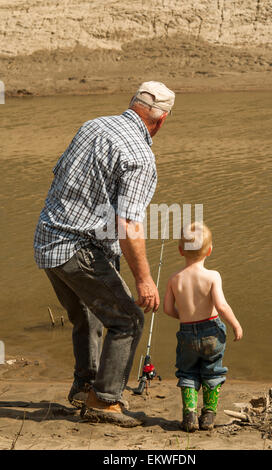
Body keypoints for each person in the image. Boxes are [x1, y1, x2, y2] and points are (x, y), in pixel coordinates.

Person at [34, 81, 175, 427]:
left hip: (46, 239)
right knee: (128, 320)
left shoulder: (92, 125)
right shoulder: (141, 157)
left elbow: (60, 177)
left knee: (87, 315)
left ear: (132, 105)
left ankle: (85, 386)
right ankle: (105, 400)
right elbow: (129, 223)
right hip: (77, 248)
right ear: (161, 121)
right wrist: (144, 281)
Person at [163, 221, 243, 431]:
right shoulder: (212, 276)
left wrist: (185, 317)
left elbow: (167, 309)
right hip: (211, 332)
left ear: (180, 251)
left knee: (187, 372)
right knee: (213, 371)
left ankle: (189, 415)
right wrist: (235, 324)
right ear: (209, 250)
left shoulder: (174, 279)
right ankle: (208, 414)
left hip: (187, 333)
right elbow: (221, 305)